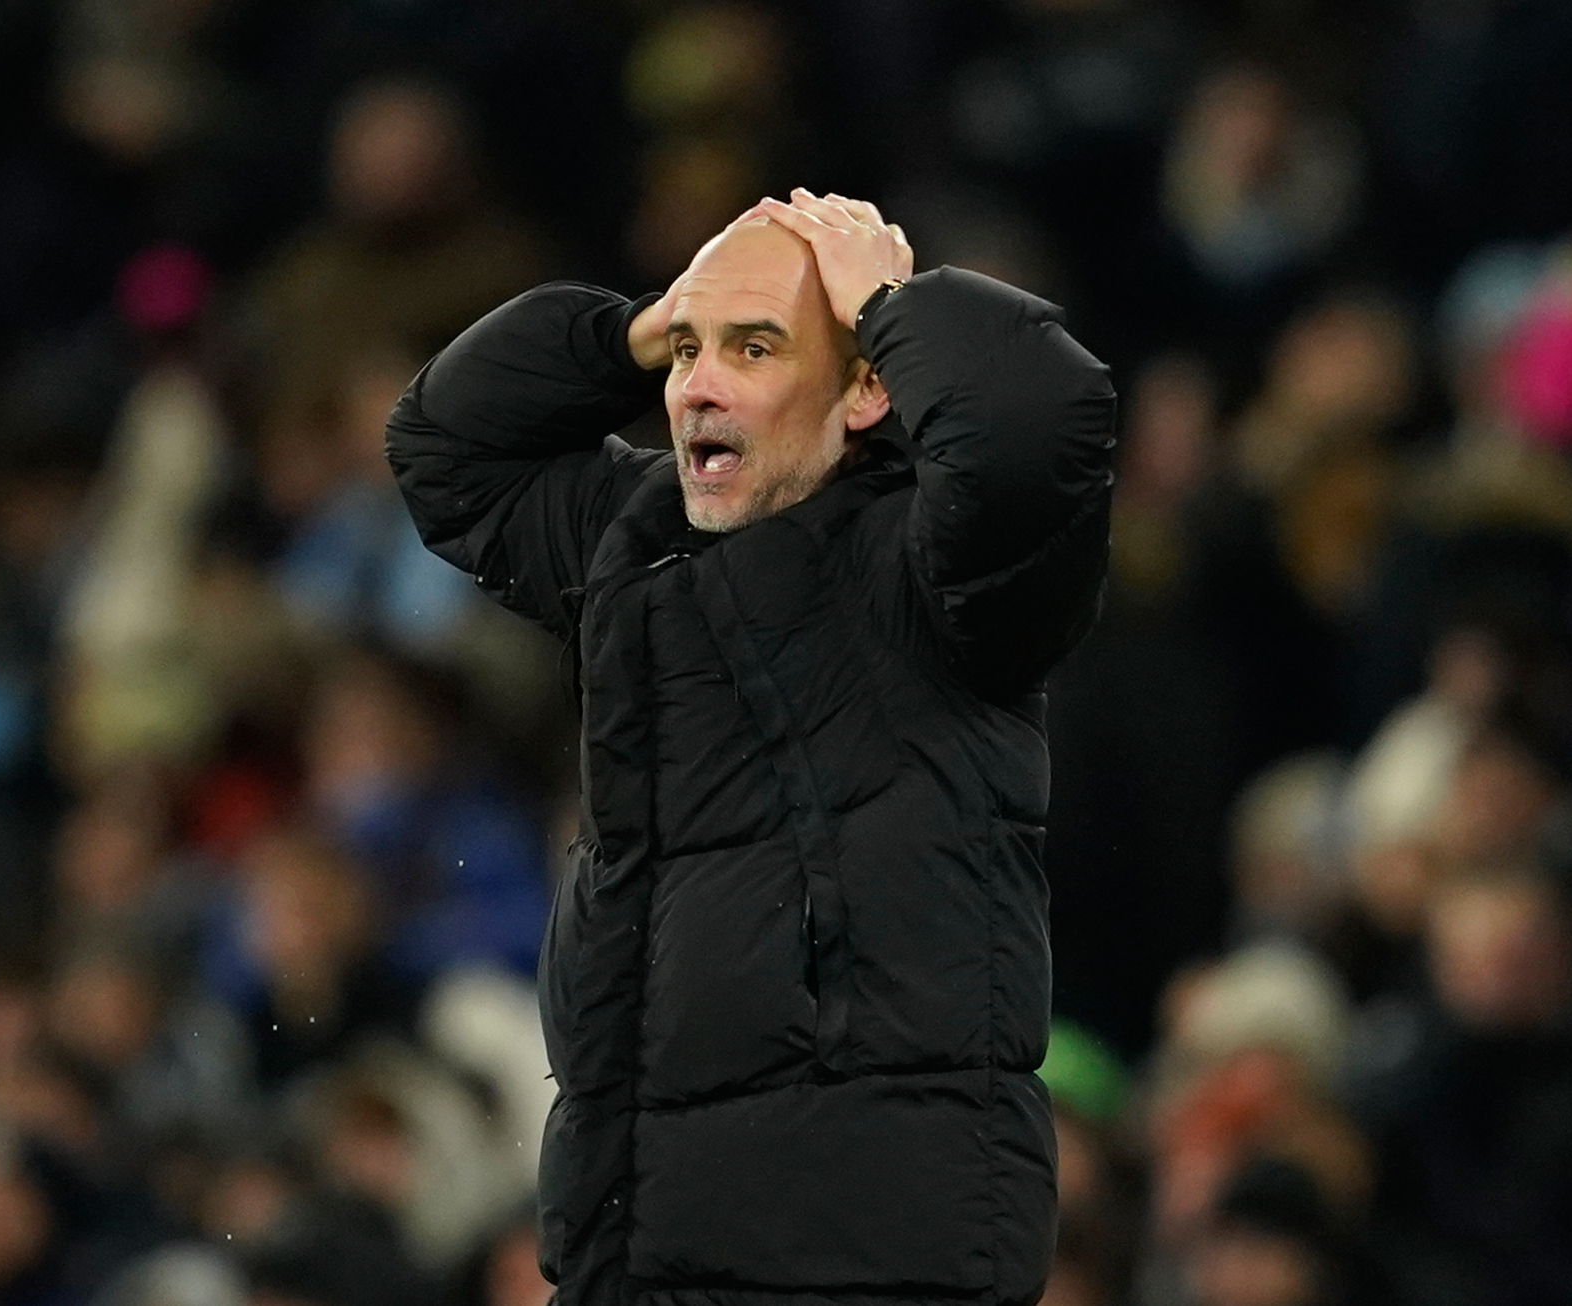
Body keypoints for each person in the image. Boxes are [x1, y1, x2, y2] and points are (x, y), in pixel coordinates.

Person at [387, 189, 1116, 1306]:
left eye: (755, 347)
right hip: (634, 1241)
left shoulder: (945, 571)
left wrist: (889, 297)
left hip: (870, 1259)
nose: (697, 389)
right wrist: (654, 319)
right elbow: (446, 446)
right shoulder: (633, 542)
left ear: (870, 382)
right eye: (687, 353)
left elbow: (1037, 430)